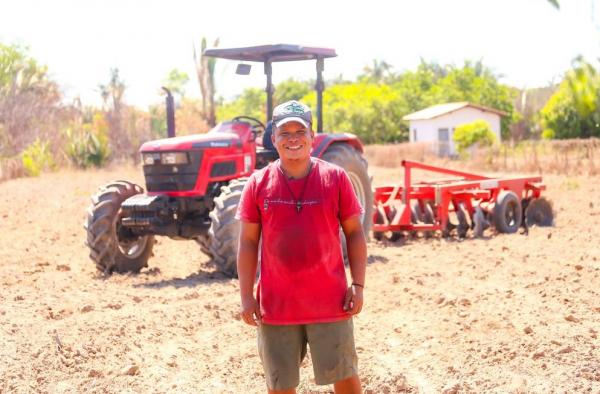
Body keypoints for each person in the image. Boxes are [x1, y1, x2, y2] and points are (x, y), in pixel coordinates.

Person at [235, 100, 367, 394]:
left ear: (312, 137)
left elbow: (355, 233)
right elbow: (247, 242)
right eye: (285, 133)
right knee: (280, 384)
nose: (292, 138)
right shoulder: (258, 183)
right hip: (277, 307)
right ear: (273, 139)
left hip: (330, 302)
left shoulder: (336, 179)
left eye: (299, 131)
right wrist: (246, 296)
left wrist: (358, 285)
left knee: (345, 378)